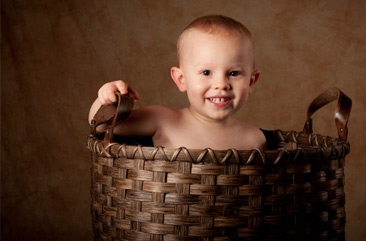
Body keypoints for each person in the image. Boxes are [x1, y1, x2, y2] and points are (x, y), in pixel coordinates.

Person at [88, 15, 267, 150]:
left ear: (251, 82)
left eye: (234, 73)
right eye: (206, 72)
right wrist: (109, 99)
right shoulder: (164, 120)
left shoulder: (254, 138)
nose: (221, 84)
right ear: (181, 80)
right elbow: (102, 126)